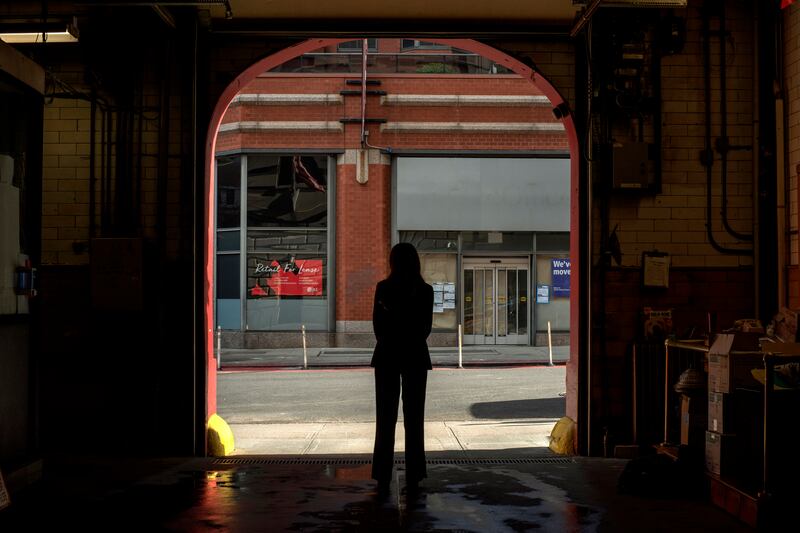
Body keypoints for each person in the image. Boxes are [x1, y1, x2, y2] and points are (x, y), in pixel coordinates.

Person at [371, 242, 434, 497]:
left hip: (387, 355)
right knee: (414, 418)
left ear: (392, 262)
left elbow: (378, 326)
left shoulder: (383, 288)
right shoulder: (425, 291)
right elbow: (425, 328)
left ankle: (382, 473)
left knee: (385, 418)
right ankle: (415, 473)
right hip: (415, 356)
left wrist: (392, 334)